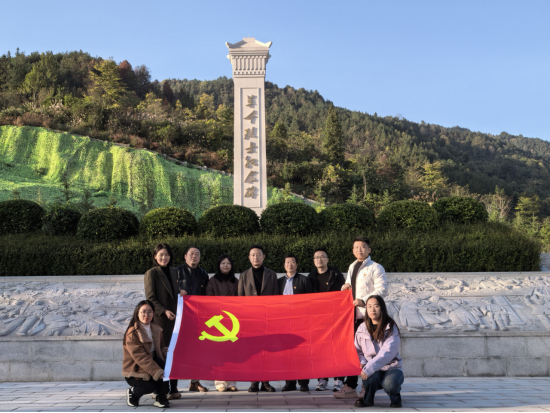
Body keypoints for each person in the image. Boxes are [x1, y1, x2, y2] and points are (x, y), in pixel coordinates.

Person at [334, 236, 388, 400]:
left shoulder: (375, 267)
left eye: (363, 247)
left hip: (368, 317)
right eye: (356, 247)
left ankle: (367, 386)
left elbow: (382, 290)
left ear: (369, 249)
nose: (359, 250)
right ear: (352, 250)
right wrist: (345, 287)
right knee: (353, 352)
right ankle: (350, 386)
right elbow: (349, 288)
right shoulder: (352, 266)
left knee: (369, 352)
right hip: (352, 317)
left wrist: (364, 301)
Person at [144, 243, 182, 400]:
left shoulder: (174, 272)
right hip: (161, 321)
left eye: (166, 254)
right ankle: (160, 390)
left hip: (174, 320)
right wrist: (164, 311)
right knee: (162, 354)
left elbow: (174, 294)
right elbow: (150, 298)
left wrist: (181, 293)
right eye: (161, 255)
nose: (164, 257)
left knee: (174, 354)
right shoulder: (151, 273)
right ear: (155, 256)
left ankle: (174, 388)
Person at [238, 244, 278, 392]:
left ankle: (266, 382)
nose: (256, 257)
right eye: (253, 255)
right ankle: (254, 381)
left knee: (267, 352)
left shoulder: (272, 275)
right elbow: (240, 299)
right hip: (251, 320)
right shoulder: (243, 276)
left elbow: (276, 297)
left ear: (263, 256)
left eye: (258, 254)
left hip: (268, 319)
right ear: (249, 257)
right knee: (252, 351)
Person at [307, 248, 346, 392]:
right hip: (318, 319)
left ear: (327, 259)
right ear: (313, 261)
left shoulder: (336, 275)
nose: (319, 259)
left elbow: (344, 295)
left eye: (322, 257)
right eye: (316, 257)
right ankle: (322, 380)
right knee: (320, 349)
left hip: (335, 318)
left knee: (337, 348)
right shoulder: (310, 277)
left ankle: (339, 380)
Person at [353, 295, 403, 408]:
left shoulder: (390, 327)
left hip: (391, 367)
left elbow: (387, 353)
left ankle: (395, 398)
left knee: (389, 384)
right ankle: (368, 399)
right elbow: (358, 350)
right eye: (369, 306)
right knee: (369, 379)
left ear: (382, 308)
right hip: (372, 367)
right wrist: (363, 363)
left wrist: (368, 368)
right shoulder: (362, 328)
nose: (373, 309)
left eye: (376, 306)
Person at [122, 300, 170, 408]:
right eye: (143, 311)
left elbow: (161, 345)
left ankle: (161, 397)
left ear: (153, 313)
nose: (146, 315)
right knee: (150, 386)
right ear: (137, 313)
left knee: (164, 366)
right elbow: (140, 357)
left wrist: (163, 350)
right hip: (136, 369)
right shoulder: (132, 332)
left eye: (149, 312)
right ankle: (133, 392)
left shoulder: (156, 329)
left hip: (152, 364)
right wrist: (156, 371)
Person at [175, 245, 210, 392]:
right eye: (191, 254)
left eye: (197, 254)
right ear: (185, 256)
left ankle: (195, 381)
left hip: (197, 317)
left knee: (196, 350)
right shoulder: (176, 272)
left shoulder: (203, 274)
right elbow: (170, 290)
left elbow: (207, 295)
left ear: (200, 257)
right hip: (179, 316)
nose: (194, 256)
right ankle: (172, 386)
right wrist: (178, 292)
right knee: (177, 350)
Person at [278, 253, 313, 392]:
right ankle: (289, 382)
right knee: (287, 353)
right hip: (284, 322)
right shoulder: (279, 282)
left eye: (292, 262)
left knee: (302, 353)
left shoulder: (304, 280)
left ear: (297, 264)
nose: (290, 264)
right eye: (287, 262)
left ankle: (303, 382)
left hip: (301, 322)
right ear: (284, 265)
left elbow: (310, 300)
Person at [206, 254, 239, 392]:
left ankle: (232, 382)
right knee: (219, 353)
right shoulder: (213, 281)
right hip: (218, 320)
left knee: (233, 352)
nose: (226, 265)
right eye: (223, 263)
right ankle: (220, 382)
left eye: (228, 263)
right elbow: (209, 299)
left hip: (233, 320)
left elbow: (241, 299)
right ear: (219, 265)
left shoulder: (236, 281)